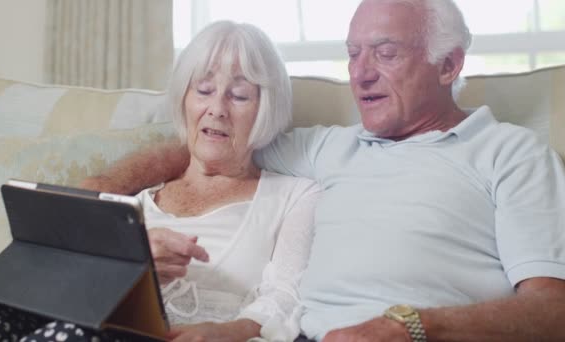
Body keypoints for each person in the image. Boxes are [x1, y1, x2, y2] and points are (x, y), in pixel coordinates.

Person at [82, 0, 565, 341]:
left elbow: (554, 312)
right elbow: (215, 141)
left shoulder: (511, 154)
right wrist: (103, 191)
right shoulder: (328, 147)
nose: (361, 72)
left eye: (386, 52)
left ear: (449, 64)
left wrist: (413, 327)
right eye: (353, 53)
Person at [0, 21, 320, 342]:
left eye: (239, 95)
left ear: (267, 108)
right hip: (93, 322)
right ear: (183, 100)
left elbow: (286, 294)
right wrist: (128, 270)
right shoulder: (135, 199)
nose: (217, 108)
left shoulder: (293, 195)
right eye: (204, 90)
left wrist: (228, 331)